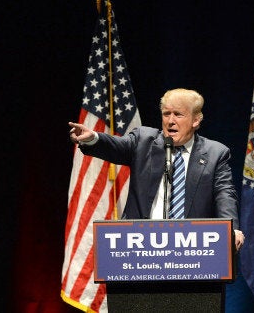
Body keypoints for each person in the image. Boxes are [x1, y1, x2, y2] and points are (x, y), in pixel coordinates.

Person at [69, 88, 244, 250]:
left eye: (178, 114)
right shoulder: (143, 141)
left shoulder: (216, 153)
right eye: (166, 114)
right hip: (142, 250)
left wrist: (231, 228)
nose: (170, 121)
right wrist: (92, 138)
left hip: (193, 250)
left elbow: (225, 194)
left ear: (196, 120)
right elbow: (116, 146)